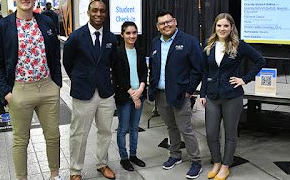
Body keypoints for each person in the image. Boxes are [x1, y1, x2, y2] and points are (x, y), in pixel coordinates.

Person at [0, 0, 63, 180]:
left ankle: (55, 175)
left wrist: (57, 83)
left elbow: (55, 53)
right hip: (19, 90)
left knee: (53, 136)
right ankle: (22, 178)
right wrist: (8, 93)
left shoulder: (45, 21)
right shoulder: (2, 27)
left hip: (47, 87)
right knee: (21, 140)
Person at [199, 13, 265, 180]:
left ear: (232, 27)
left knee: (230, 134)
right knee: (211, 133)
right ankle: (216, 162)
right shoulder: (209, 45)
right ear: (215, 27)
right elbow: (206, 70)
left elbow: (260, 61)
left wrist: (245, 79)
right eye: (219, 25)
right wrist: (202, 93)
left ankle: (225, 166)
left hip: (232, 96)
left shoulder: (239, 45)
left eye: (226, 26)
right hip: (213, 96)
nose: (222, 29)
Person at [63, 0, 118, 180]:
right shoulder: (76, 37)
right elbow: (67, 63)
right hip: (83, 92)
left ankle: (102, 163)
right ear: (88, 12)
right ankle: (75, 170)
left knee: (105, 131)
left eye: (102, 11)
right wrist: (80, 79)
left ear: (106, 13)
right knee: (79, 134)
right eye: (94, 10)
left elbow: (113, 62)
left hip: (105, 93)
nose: (98, 14)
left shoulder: (111, 38)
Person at [149, 10, 203, 179]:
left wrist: (189, 90)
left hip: (181, 94)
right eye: (162, 23)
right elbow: (154, 67)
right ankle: (175, 155)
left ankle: (196, 162)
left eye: (169, 21)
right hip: (161, 94)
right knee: (171, 127)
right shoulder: (155, 43)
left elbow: (198, 69)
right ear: (158, 27)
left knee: (185, 128)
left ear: (175, 21)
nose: (166, 25)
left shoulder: (189, 41)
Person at [113, 21, 147, 171]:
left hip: (138, 93)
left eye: (134, 32)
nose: (132, 36)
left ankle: (133, 155)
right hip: (124, 96)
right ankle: (124, 158)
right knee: (123, 128)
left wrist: (140, 88)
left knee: (134, 127)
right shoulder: (118, 52)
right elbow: (118, 76)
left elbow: (143, 72)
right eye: (128, 33)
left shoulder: (140, 50)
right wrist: (133, 94)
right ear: (122, 35)